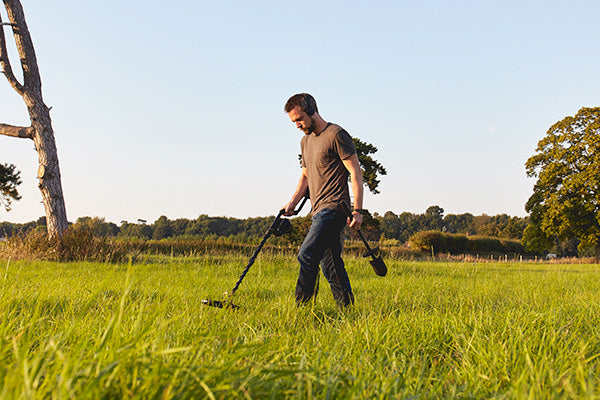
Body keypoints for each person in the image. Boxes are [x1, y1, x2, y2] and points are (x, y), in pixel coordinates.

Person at [283, 93, 365, 307]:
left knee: (307, 254)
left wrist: (358, 210)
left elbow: (355, 171)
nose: (297, 125)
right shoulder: (305, 141)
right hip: (318, 209)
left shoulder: (336, 134)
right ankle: (347, 311)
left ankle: (302, 308)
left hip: (335, 207)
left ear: (312, 111)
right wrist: (292, 203)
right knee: (330, 265)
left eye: (299, 119)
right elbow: (305, 176)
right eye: (293, 122)